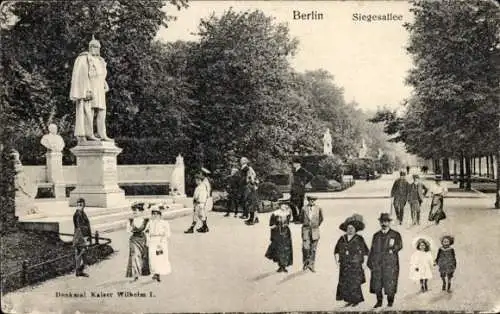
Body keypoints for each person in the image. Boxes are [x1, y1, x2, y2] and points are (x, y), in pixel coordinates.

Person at [70, 35, 112, 143]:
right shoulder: (84, 58)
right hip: (90, 88)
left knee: (102, 110)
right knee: (89, 111)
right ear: (90, 47)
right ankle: (90, 133)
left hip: (100, 89)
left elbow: (101, 75)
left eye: (98, 47)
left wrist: (104, 83)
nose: (96, 49)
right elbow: (81, 75)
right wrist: (86, 90)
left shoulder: (100, 60)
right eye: (94, 47)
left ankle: (102, 134)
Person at [367, 213, 403, 308]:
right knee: (377, 283)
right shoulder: (376, 235)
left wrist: (393, 249)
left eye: (386, 221)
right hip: (378, 263)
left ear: (389, 223)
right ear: (380, 222)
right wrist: (370, 262)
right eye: (382, 221)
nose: (384, 223)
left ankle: (390, 302)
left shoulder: (395, 234)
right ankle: (379, 302)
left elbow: (400, 245)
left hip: (390, 263)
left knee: (390, 282)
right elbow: (372, 248)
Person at [334, 214, 369, 307]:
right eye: (348, 228)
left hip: (355, 264)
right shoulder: (342, 239)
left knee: (355, 283)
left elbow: (366, 251)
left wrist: (364, 263)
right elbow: (336, 251)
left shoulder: (359, 239)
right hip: (344, 265)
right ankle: (348, 300)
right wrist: (337, 261)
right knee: (345, 282)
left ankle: (355, 300)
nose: (350, 229)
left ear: (355, 229)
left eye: (352, 228)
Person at [125, 202, 150, 282]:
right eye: (133, 211)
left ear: (141, 211)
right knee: (134, 256)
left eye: (136, 211)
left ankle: (142, 272)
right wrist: (131, 228)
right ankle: (135, 275)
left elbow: (148, 231)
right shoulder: (130, 221)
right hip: (134, 240)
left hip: (143, 239)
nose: (134, 213)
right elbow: (128, 231)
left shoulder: (146, 220)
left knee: (143, 256)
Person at [265, 202, 293, 273]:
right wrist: (275, 228)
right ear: (280, 206)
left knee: (286, 249)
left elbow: (290, 220)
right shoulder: (275, 214)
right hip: (278, 233)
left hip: (286, 233)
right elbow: (271, 225)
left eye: (285, 205)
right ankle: (280, 265)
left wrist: (290, 212)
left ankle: (284, 265)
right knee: (279, 249)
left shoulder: (288, 213)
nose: (284, 206)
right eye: (283, 205)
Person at [147, 206, 172, 282]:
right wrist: (148, 239)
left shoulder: (164, 223)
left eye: (156, 214)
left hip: (160, 242)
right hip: (152, 241)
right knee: (152, 258)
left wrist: (161, 242)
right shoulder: (150, 223)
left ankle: (158, 274)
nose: (155, 216)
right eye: (153, 214)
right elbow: (146, 231)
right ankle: (155, 272)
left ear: (160, 215)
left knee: (159, 257)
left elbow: (167, 234)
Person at [301, 195, 323, 272]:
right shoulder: (304, 208)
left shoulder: (318, 208)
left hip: (315, 230)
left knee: (313, 249)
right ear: (308, 201)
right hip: (306, 230)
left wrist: (315, 225)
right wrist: (306, 224)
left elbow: (321, 218)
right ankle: (306, 262)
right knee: (305, 247)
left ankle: (311, 265)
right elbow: (301, 218)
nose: (312, 201)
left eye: (313, 200)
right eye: (310, 200)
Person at [290, 158, 314, 223]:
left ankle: (301, 219)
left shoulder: (302, 170)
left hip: (300, 190)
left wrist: (304, 183)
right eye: (293, 163)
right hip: (294, 190)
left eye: (295, 163)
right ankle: (295, 218)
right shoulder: (294, 170)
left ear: (298, 164)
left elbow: (311, 176)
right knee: (292, 204)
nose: (293, 164)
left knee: (300, 205)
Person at [73, 198, 92, 277]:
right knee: (81, 252)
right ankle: (78, 270)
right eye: (78, 204)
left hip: (84, 235)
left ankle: (79, 270)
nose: (80, 206)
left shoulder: (83, 213)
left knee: (82, 253)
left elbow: (87, 225)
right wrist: (84, 238)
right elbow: (78, 227)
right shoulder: (77, 214)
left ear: (84, 205)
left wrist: (89, 236)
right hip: (80, 236)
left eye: (81, 204)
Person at [239, 157, 259, 225]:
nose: (240, 161)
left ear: (245, 161)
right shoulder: (247, 168)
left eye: (242, 160)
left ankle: (252, 219)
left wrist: (250, 181)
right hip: (251, 186)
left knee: (250, 202)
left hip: (250, 187)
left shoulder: (247, 168)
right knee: (252, 202)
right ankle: (255, 218)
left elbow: (251, 176)